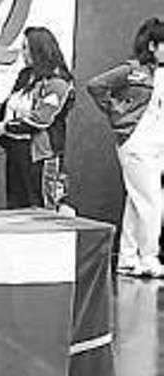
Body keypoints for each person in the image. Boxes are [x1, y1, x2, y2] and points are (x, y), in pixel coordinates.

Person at [88, 17, 164, 278]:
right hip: (136, 142)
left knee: (137, 201)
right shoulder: (132, 70)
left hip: (157, 145)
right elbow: (96, 85)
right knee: (152, 201)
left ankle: (128, 258)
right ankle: (149, 258)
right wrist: (117, 112)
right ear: (152, 45)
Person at [0, 27, 74, 212]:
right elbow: (9, 104)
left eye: (26, 48)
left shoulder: (58, 82)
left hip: (40, 157)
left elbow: (41, 120)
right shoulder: (25, 75)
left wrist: (7, 127)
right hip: (16, 153)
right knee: (16, 208)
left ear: (39, 49)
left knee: (40, 208)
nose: (23, 53)